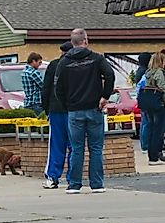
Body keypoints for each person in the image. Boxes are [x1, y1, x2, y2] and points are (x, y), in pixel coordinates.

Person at [55, 28, 115, 194]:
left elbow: (57, 87)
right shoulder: (96, 59)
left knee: (76, 148)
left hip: (74, 110)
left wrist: (67, 104)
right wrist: (104, 96)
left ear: (72, 42)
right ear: (86, 41)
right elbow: (110, 74)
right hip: (94, 108)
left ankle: (74, 184)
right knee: (96, 148)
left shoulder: (64, 62)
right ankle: (97, 184)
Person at [41, 41, 73, 189]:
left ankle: (53, 176)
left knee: (56, 145)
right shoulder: (81, 64)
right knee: (75, 146)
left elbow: (46, 89)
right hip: (75, 109)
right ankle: (73, 178)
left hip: (57, 109)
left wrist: (47, 109)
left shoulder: (54, 65)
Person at [143, 52, 165, 166]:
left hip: (150, 104)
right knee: (158, 132)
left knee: (151, 130)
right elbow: (163, 90)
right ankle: (154, 157)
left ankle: (152, 155)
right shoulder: (159, 73)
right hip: (159, 104)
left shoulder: (148, 73)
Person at [134, 52, 152, 153]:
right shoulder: (145, 72)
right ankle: (145, 145)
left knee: (144, 122)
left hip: (141, 99)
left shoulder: (139, 71)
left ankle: (144, 144)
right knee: (146, 123)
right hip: (146, 98)